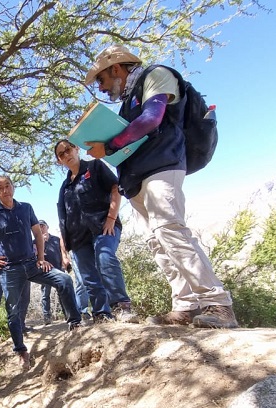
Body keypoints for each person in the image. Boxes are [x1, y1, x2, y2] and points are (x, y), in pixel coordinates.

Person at [82, 45, 238, 328]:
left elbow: (152, 118)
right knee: (157, 241)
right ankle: (185, 305)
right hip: (136, 178)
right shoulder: (129, 100)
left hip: (163, 167)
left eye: (102, 80)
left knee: (170, 229)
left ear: (116, 68)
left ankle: (218, 303)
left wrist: (109, 145)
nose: (102, 89)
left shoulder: (157, 75)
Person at [0, 175, 83, 370]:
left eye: (8, 185)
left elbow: (37, 233)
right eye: (0, 188)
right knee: (13, 311)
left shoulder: (26, 208)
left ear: (13, 187)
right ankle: (21, 351)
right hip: (10, 270)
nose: (5, 190)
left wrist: (41, 258)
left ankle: (75, 324)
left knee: (64, 279)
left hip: (32, 264)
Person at [55, 139, 139, 324]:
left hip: (103, 227)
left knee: (105, 257)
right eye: (61, 154)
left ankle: (122, 306)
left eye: (68, 149)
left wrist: (111, 218)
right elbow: (63, 217)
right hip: (78, 239)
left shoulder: (94, 166)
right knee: (88, 277)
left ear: (76, 148)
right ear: (59, 161)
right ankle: (101, 314)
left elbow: (116, 188)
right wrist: (66, 246)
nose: (66, 155)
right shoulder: (64, 187)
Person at [0, 244, 33, 332]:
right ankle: (2, 325)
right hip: (0, 279)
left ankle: (20, 326)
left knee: (23, 300)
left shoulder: (17, 249)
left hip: (21, 276)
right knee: (0, 301)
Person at [35, 220, 65, 324]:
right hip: (45, 271)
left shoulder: (56, 239)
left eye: (43, 226)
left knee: (63, 292)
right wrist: (42, 241)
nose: (41, 228)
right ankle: (47, 317)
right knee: (45, 294)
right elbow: (36, 256)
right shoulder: (35, 242)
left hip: (59, 269)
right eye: (39, 226)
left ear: (47, 227)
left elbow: (62, 252)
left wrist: (64, 263)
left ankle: (67, 314)